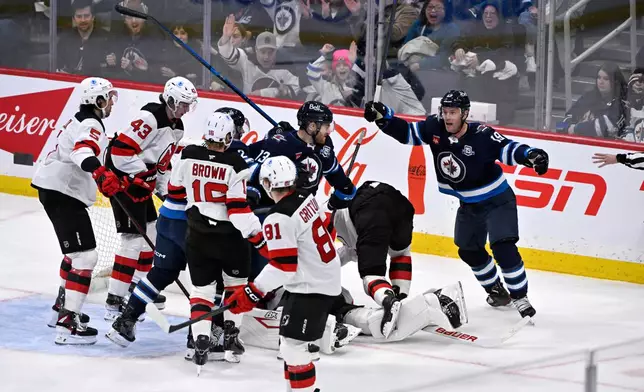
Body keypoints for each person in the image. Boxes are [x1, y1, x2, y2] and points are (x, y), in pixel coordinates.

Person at [363, 90, 549, 319]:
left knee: (503, 247)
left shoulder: (482, 135)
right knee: (469, 250)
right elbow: (408, 134)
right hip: (469, 204)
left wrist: (532, 155)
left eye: (453, 112)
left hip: (497, 200)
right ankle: (497, 291)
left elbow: (508, 149)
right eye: (445, 111)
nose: (448, 117)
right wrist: (385, 119)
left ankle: (520, 297)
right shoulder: (435, 128)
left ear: (465, 114)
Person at [225, 155, 341, 392]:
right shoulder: (306, 198)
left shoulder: (278, 217)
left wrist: (252, 292)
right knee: (289, 344)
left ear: (267, 184)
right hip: (317, 279)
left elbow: (283, 266)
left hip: (312, 285)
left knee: (293, 347)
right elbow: (324, 229)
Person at [169, 112, 269, 373]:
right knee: (235, 286)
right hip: (230, 239)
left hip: (198, 233)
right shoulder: (236, 163)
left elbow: (175, 190)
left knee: (201, 291)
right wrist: (258, 239)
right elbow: (236, 210)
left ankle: (200, 339)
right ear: (228, 136)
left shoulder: (188, 154)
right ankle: (230, 341)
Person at [31, 77, 120, 344]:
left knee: (74, 254)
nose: (112, 102)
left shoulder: (80, 120)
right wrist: (100, 171)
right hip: (63, 192)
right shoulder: (91, 123)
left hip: (53, 188)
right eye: (108, 97)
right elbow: (83, 151)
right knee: (85, 258)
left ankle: (61, 308)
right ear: (98, 100)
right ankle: (68, 323)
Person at [103, 76, 198, 321]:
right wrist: (141, 174)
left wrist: (165, 191)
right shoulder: (151, 118)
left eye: (189, 104)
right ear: (171, 99)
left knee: (152, 234)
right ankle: (115, 299)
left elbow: (163, 165)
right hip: (123, 180)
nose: (187, 109)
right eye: (183, 103)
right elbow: (119, 151)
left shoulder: (178, 128)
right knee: (133, 240)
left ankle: (137, 286)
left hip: (140, 183)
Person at [246, 100, 356, 279]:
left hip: (301, 214)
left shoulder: (324, 148)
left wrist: (339, 197)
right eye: (326, 126)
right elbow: (247, 166)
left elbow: (344, 185)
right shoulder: (279, 144)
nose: (329, 131)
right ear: (312, 126)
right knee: (266, 265)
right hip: (271, 214)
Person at [331, 180, 415, 338]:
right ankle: (401, 299)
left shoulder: (333, 219)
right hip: (400, 202)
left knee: (371, 274)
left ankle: (390, 302)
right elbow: (348, 252)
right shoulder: (337, 207)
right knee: (401, 254)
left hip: (370, 210)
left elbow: (336, 256)